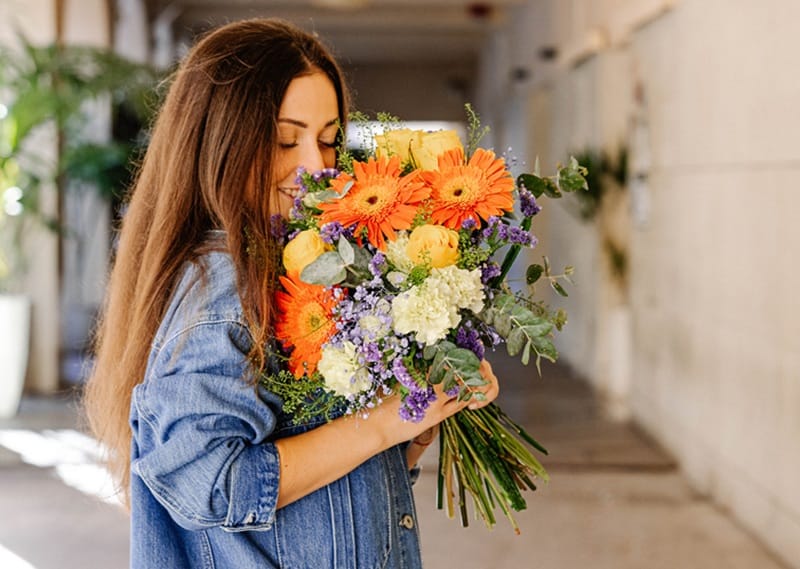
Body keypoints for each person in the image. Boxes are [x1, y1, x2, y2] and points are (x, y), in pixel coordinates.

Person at [83, 17, 499, 569]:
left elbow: (322, 486)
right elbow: (206, 484)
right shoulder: (224, 285)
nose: (315, 167)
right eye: (285, 139)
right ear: (220, 140)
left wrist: (412, 423)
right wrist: (376, 427)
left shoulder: (285, 266)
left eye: (327, 140)